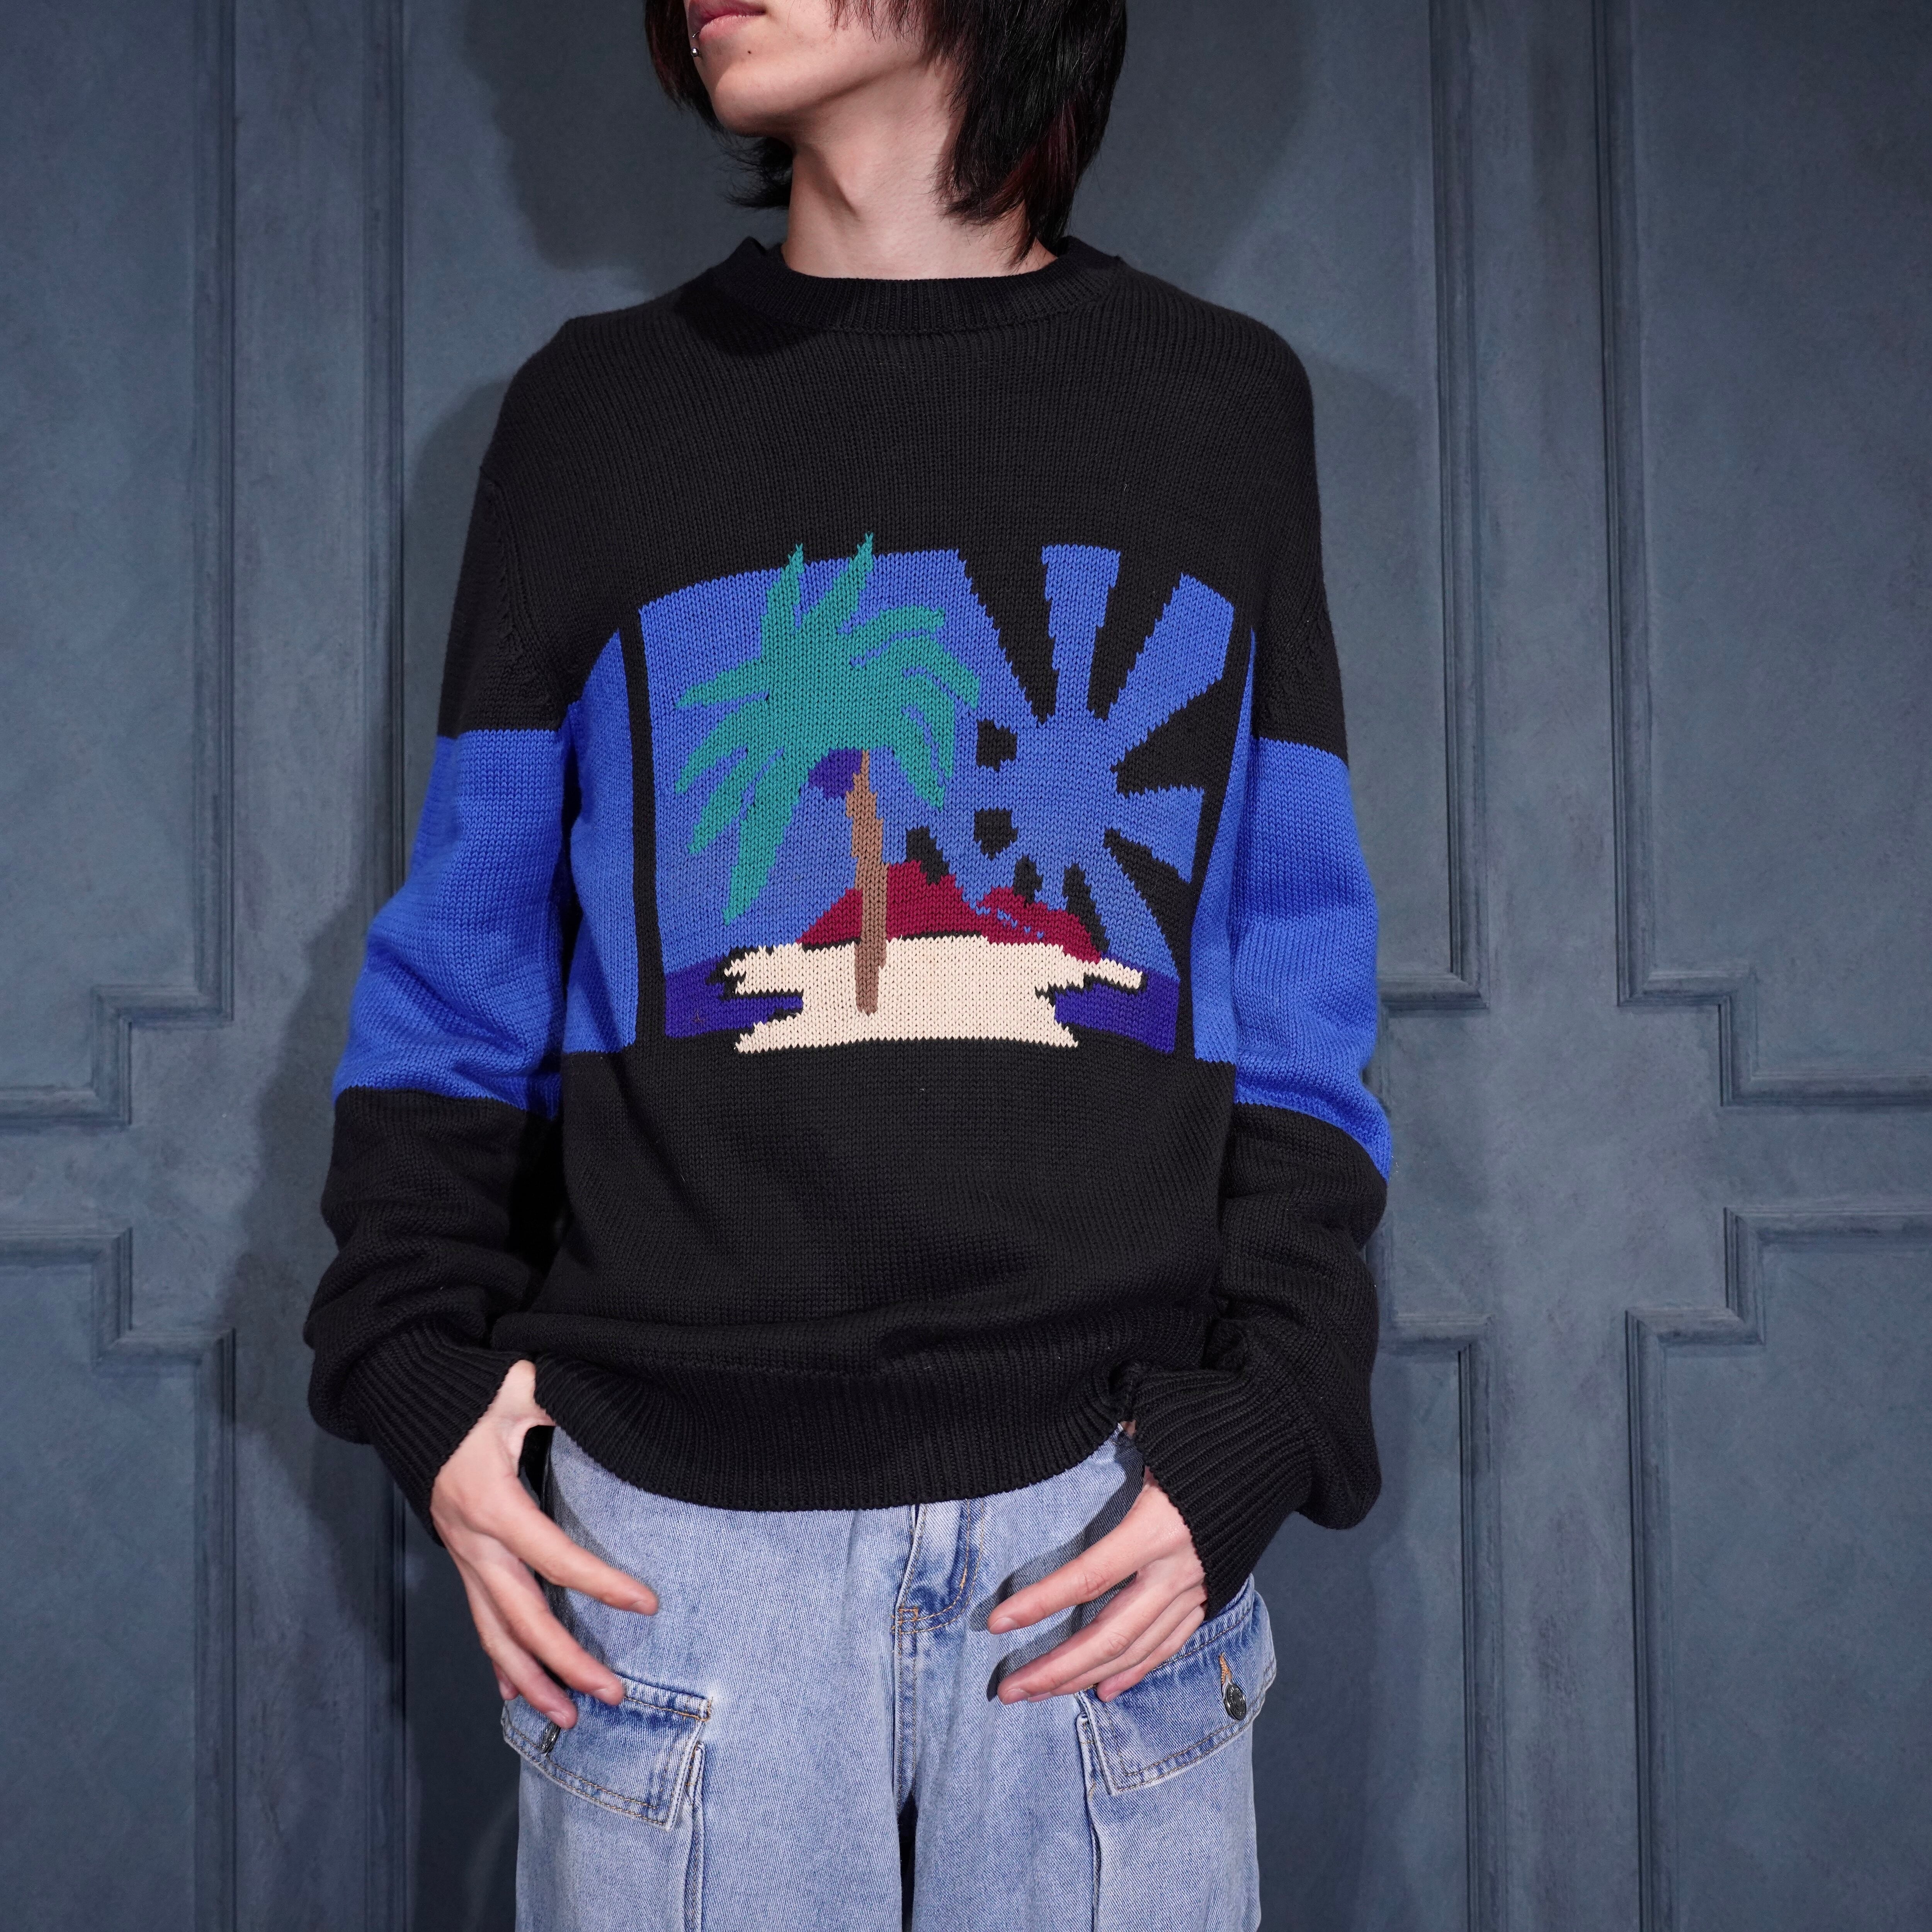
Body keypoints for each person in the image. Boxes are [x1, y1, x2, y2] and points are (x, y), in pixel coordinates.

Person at [303, 1, 1391, 1925]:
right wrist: (405, 1361)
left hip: (1102, 1520)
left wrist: (1274, 1407)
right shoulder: (591, 419)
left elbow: (1293, 972)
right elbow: (461, 968)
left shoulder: (1219, 407)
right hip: (671, 1554)